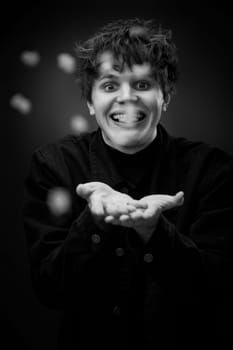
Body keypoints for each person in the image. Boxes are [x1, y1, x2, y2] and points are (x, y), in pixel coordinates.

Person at [23, 18, 233, 349]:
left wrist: (156, 233)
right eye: (109, 86)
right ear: (90, 103)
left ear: (165, 96)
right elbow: (49, 288)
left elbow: (218, 289)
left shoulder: (212, 170)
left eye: (142, 85)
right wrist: (92, 222)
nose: (127, 98)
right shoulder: (54, 165)